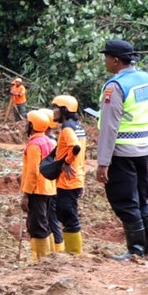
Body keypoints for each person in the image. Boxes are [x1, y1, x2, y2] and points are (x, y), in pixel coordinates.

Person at [96, 38, 148, 262]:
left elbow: (110, 127)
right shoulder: (146, 79)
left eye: (106, 58)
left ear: (115, 60)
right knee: (142, 197)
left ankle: (136, 249)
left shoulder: (115, 86)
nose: (105, 61)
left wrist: (103, 162)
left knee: (124, 199)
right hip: (144, 148)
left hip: (122, 152)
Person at [49, 95, 86, 255]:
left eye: (55, 107)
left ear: (63, 110)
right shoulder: (78, 127)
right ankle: (73, 253)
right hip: (75, 179)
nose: (53, 111)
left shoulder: (68, 128)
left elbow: (76, 148)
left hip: (68, 181)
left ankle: (74, 254)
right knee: (66, 214)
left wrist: (66, 163)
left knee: (67, 215)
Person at [21, 108, 59, 261]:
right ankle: (48, 257)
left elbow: (33, 172)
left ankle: (41, 260)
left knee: (37, 225)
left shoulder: (33, 145)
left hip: (37, 190)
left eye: (27, 123)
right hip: (49, 188)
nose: (25, 126)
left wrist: (26, 194)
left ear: (32, 125)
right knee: (45, 223)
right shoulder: (49, 142)